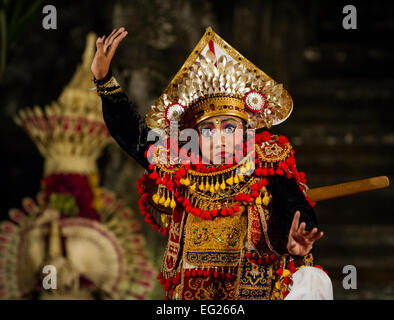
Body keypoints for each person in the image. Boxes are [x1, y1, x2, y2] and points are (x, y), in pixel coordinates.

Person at [91, 26, 333, 300]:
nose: (219, 138)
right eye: (207, 131)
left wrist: (296, 237)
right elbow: (133, 135)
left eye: (229, 128)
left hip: (257, 292)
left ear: (245, 130)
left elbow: (295, 206)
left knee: (313, 282)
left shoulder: (265, 161)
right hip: (194, 297)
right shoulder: (179, 167)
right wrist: (104, 81)